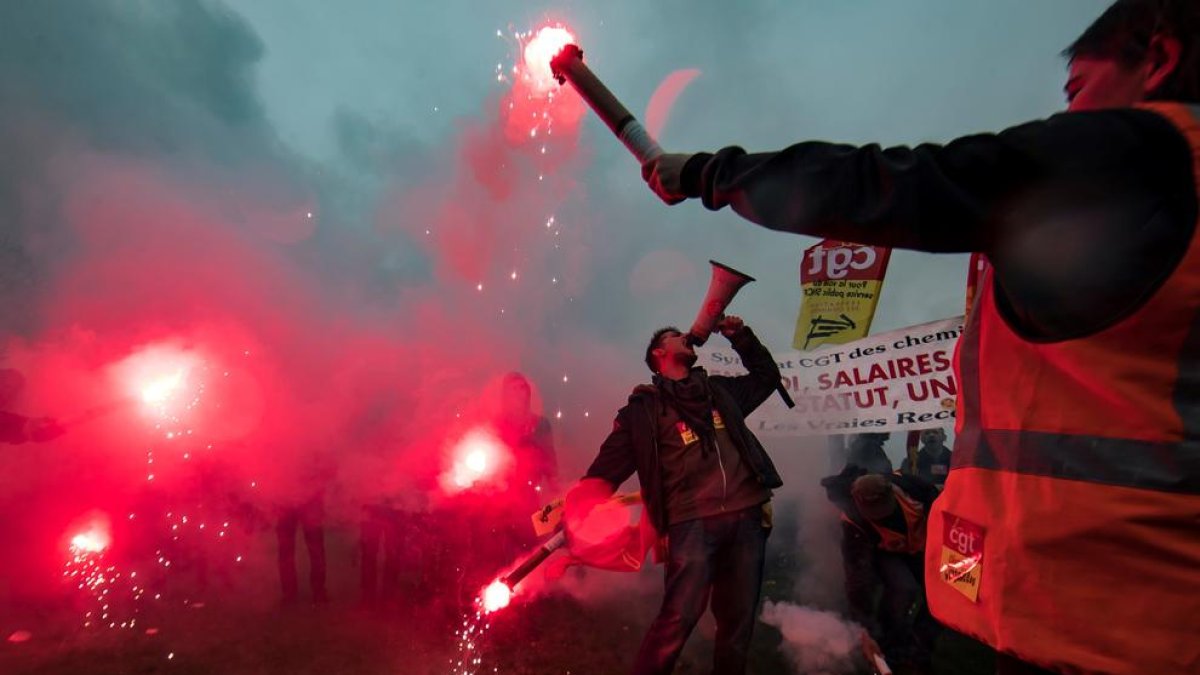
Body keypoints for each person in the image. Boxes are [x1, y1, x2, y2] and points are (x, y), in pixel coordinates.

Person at [640, 2, 1200, 672]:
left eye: (1077, 89)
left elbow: (899, 184)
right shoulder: (645, 407)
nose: (1070, 117)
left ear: (1159, 61)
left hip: (1105, 608)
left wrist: (712, 174)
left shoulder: (1144, 153)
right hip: (1128, 607)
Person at [572, 316, 782, 675]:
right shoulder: (644, 410)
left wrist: (741, 338)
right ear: (659, 353)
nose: (686, 336)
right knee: (678, 618)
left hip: (746, 516)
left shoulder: (718, 392)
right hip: (691, 523)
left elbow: (767, 379)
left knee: (737, 621)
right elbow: (607, 467)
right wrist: (581, 503)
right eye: (674, 336)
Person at [822, 468, 941, 672]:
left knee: (941, 595)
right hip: (888, 552)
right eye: (874, 513)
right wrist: (865, 629)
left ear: (892, 493)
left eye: (885, 508)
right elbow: (857, 579)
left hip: (925, 546)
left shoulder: (914, 490)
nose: (882, 517)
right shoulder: (853, 523)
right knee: (903, 589)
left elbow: (941, 509)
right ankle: (888, 642)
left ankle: (919, 646)